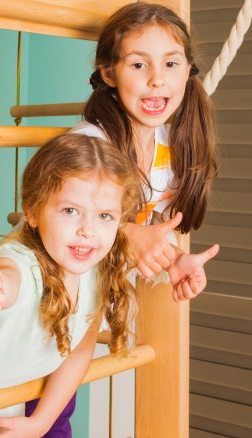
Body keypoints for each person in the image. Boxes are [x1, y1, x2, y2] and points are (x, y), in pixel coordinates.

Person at [0, 134, 159, 437]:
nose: (87, 230)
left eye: (104, 216)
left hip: (4, 426)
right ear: (33, 212)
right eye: (70, 211)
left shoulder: (93, 274)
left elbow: (77, 351)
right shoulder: (22, 264)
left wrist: (40, 423)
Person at [74, 2, 220, 294]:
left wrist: (173, 259)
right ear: (109, 74)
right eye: (139, 65)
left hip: (98, 290)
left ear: (188, 69)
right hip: (45, 284)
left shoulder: (171, 151)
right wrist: (128, 235)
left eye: (171, 64)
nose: (157, 79)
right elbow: (67, 221)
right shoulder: (90, 147)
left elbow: (147, 226)